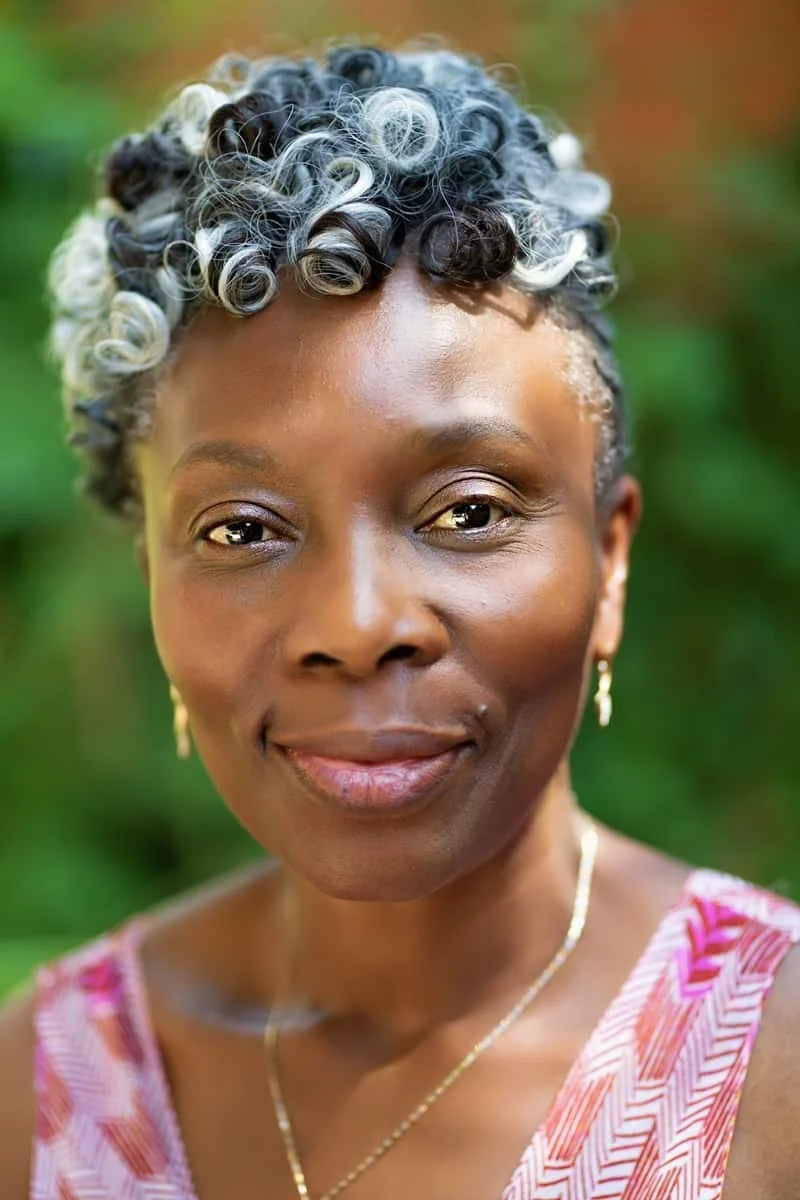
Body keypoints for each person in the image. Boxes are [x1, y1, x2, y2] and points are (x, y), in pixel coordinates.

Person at [1, 41, 798, 1200]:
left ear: (609, 560)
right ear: (153, 580)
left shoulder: (772, 1073)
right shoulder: (48, 1094)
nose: (359, 623)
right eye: (241, 529)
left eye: (467, 510)